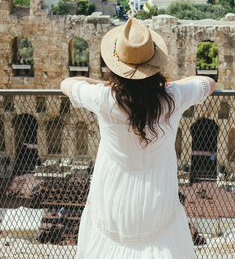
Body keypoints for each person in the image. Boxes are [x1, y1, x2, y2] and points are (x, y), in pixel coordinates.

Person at [61, 18, 216, 258]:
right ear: (154, 65)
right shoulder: (172, 98)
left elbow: (68, 84)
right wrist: (166, 86)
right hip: (157, 190)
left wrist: (107, 84)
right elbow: (208, 83)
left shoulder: (105, 98)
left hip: (112, 187)